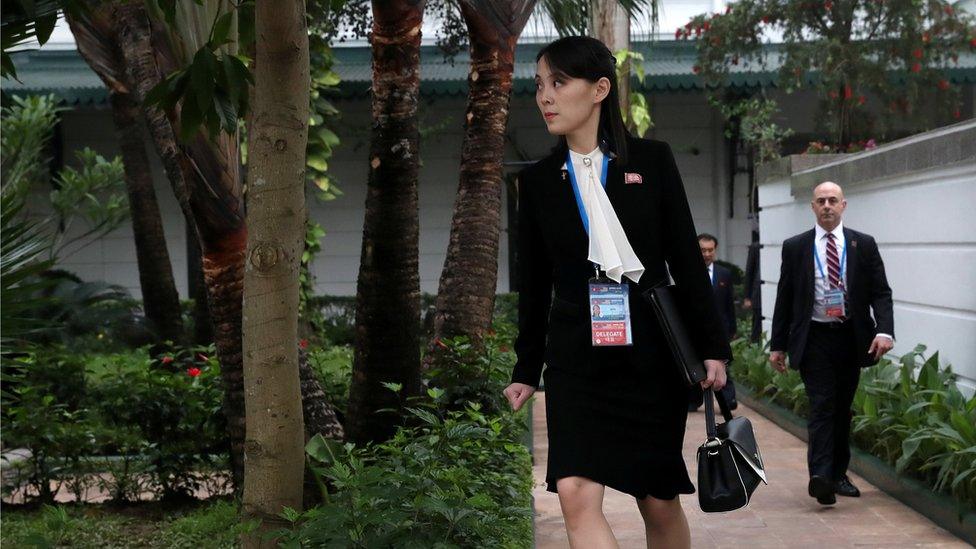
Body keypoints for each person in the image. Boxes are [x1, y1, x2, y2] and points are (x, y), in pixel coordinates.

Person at [501, 36, 732, 549]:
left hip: (650, 351)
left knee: (657, 497)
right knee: (574, 489)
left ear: (600, 88)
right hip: (575, 359)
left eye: (559, 83)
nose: (545, 97)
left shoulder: (652, 161)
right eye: (539, 85)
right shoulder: (538, 182)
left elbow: (686, 261)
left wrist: (713, 348)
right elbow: (535, 284)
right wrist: (525, 369)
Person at [769, 181, 894, 506]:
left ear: (843, 205)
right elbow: (786, 296)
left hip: (852, 337)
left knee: (841, 408)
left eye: (832, 200)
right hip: (814, 338)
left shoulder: (862, 244)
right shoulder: (796, 246)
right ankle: (821, 476)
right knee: (823, 404)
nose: (826, 205)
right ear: (813, 207)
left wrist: (885, 331)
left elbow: (881, 291)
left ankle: (838, 474)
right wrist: (777, 344)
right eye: (821, 200)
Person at [688, 233, 738, 411]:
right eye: (703, 250)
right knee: (695, 365)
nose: (707, 254)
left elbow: (729, 304)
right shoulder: (688, 274)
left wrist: (732, 328)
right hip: (695, 328)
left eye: (710, 250)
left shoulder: (724, 274)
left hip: (721, 329)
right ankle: (693, 401)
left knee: (724, 365)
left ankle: (728, 400)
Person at [743, 229, 762, 343]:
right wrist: (747, 297)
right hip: (758, 294)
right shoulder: (756, 247)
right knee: (757, 326)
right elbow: (749, 272)